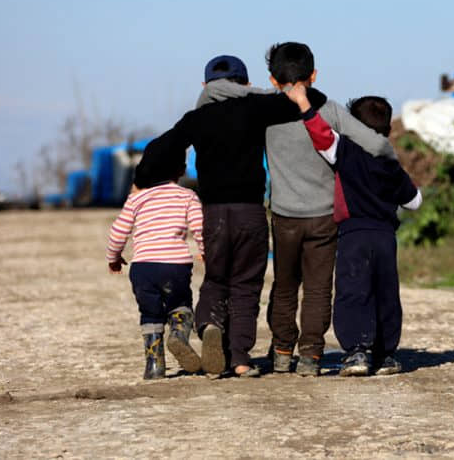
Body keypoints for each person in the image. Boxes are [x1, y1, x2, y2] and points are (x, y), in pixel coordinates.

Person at [134, 55, 327, 378]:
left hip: (213, 214)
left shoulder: (197, 117)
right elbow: (311, 99)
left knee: (216, 278)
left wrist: (140, 182)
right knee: (246, 286)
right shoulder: (257, 107)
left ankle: (209, 323)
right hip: (249, 212)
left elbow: (160, 147)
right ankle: (239, 358)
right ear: (246, 84)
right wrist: (267, 93)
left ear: (205, 86)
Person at [263, 42, 398, 376]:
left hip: (283, 216)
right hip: (324, 216)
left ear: (272, 79)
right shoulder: (331, 110)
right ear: (314, 75)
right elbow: (377, 144)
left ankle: (281, 351)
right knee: (319, 289)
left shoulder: (264, 113)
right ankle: (310, 355)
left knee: (284, 285)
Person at [285, 87, 422, 376]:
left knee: (353, 291)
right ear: (386, 129)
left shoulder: (345, 150)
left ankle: (358, 352)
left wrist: (304, 105)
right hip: (385, 237)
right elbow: (414, 201)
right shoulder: (389, 162)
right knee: (386, 293)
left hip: (353, 234)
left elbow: (321, 134)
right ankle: (386, 355)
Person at [106, 138, 204, 380]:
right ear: (181, 170)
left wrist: (114, 258)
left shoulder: (136, 199)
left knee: (149, 313)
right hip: (175, 267)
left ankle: (154, 366)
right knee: (180, 304)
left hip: (143, 269)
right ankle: (178, 337)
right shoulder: (187, 196)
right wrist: (205, 250)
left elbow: (118, 232)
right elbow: (201, 228)